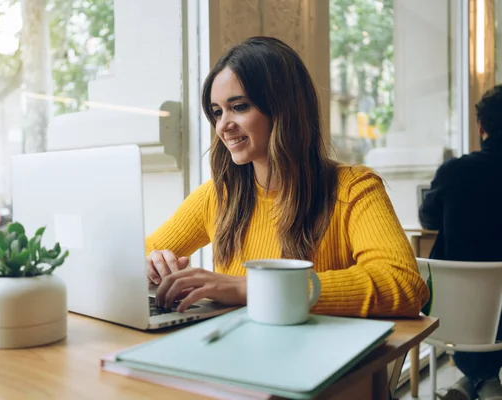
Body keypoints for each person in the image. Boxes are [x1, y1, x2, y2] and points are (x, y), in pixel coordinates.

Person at [146, 36, 429, 319]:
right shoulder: (217, 196)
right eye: (217, 112)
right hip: (240, 356)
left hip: (326, 358)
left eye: (240, 107)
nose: (223, 126)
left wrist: (250, 288)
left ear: (284, 108)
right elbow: (139, 256)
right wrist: (151, 264)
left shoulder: (353, 189)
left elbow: (402, 284)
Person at [419, 84, 502, 400]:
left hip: (454, 316)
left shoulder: (455, 172)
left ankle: (472, 382)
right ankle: (486, 382)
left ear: (481, 128)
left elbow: (428, 220)